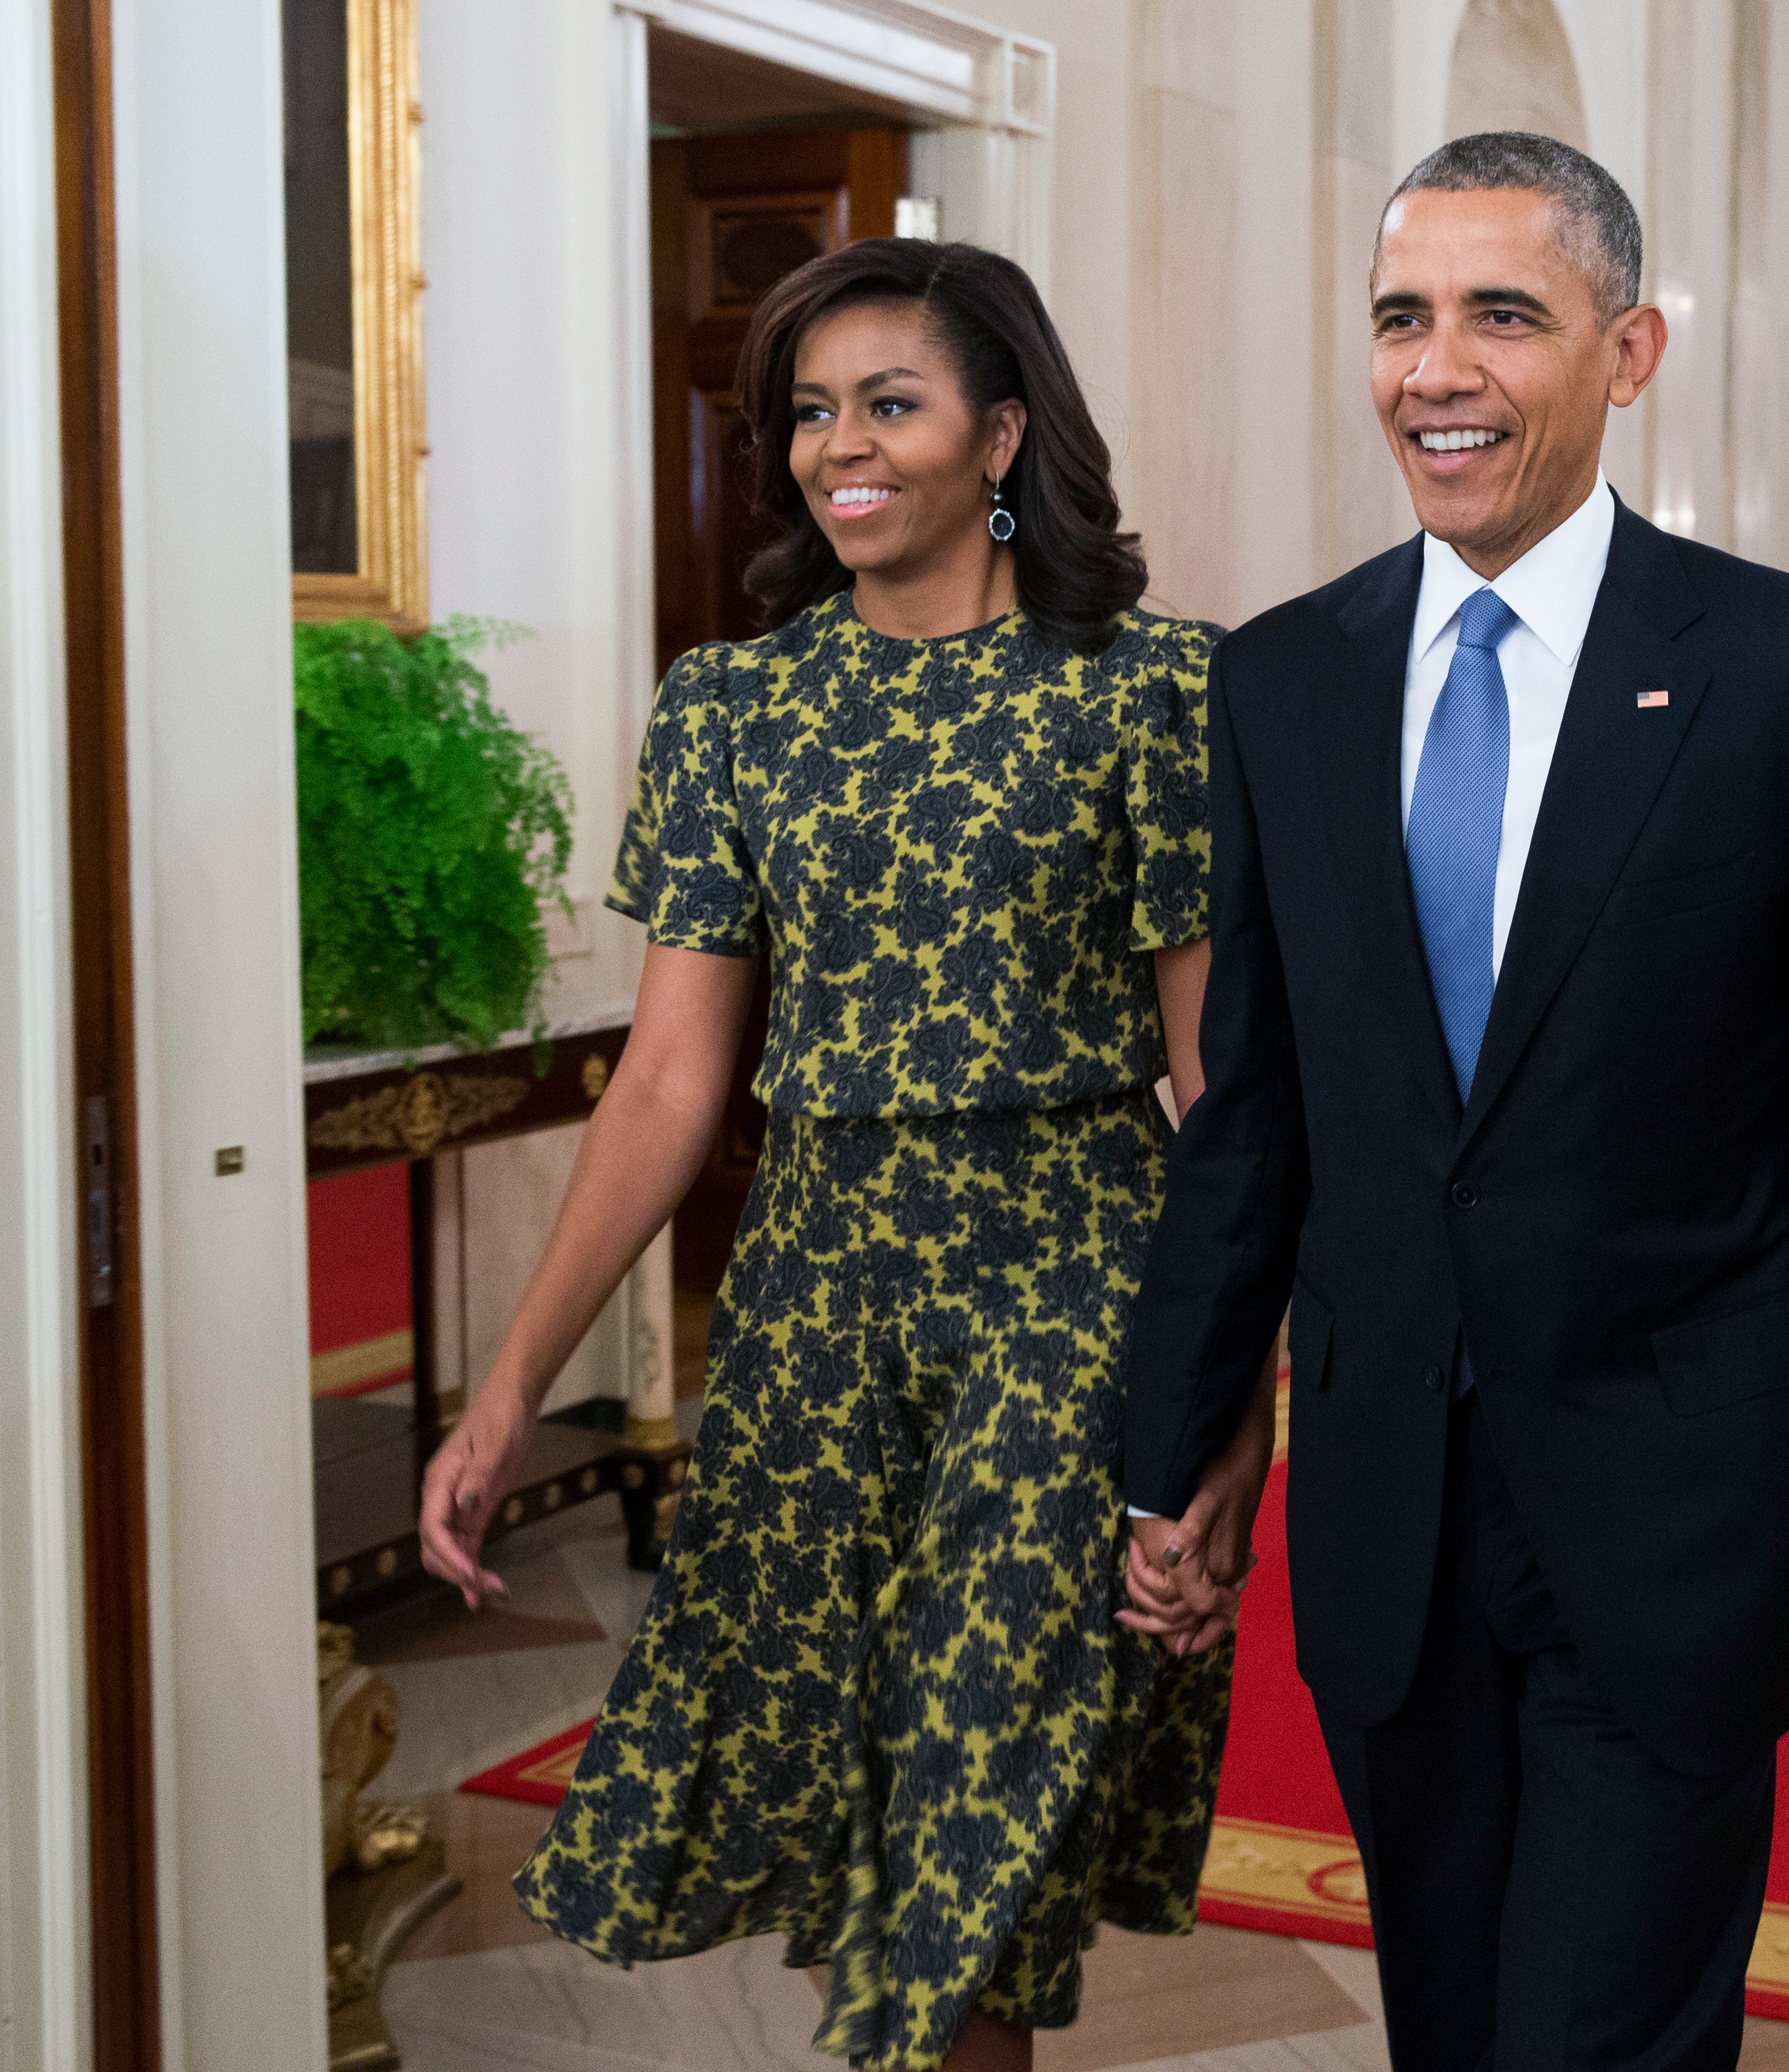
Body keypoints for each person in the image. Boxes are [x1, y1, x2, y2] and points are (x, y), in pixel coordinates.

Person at [1118, 133, 1789, 2071]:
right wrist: (1181, 1441)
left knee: (1598, 2043)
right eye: (1399, 317)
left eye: (1499, 316)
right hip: (1390, 1519)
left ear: (1628, 353)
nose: (1433, 370)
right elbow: (1253, 1107)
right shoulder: (1280, 679)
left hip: (1674, 1511)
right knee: (1448, 2029)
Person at [413, 239, 1273, 2072]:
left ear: (1001, 430)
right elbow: (664, 1084)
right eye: (808, 410)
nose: (835, 445)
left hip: (1069, 1297)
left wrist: (1233, 1419)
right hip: (809, 1313)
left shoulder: (1151, 688)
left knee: (979, 1810)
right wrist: (507, 1392)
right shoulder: (734, 706)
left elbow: (1220, 1095)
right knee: (867, 1828)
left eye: (888, 402)